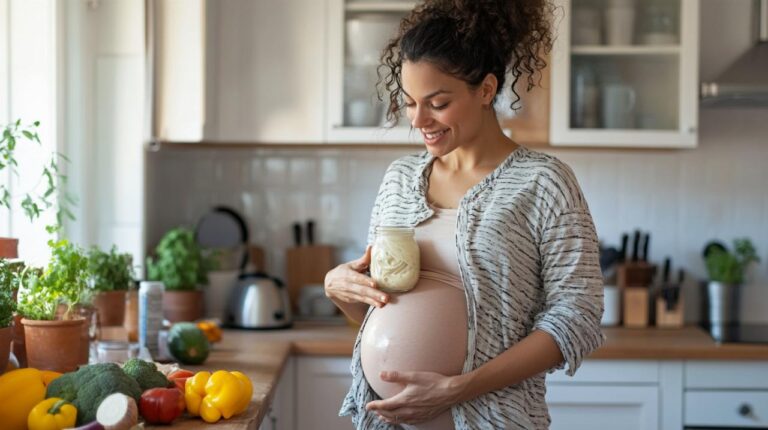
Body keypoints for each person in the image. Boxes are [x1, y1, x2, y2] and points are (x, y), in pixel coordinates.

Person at [323, 0, 604, 428]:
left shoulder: (543, 182)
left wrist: (460, 388)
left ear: (486, 90)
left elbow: (578, 315)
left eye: (437, 103)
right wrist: (343, 291)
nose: (419, 120)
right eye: (411, 102)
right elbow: (386, 311)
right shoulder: (399, 179)